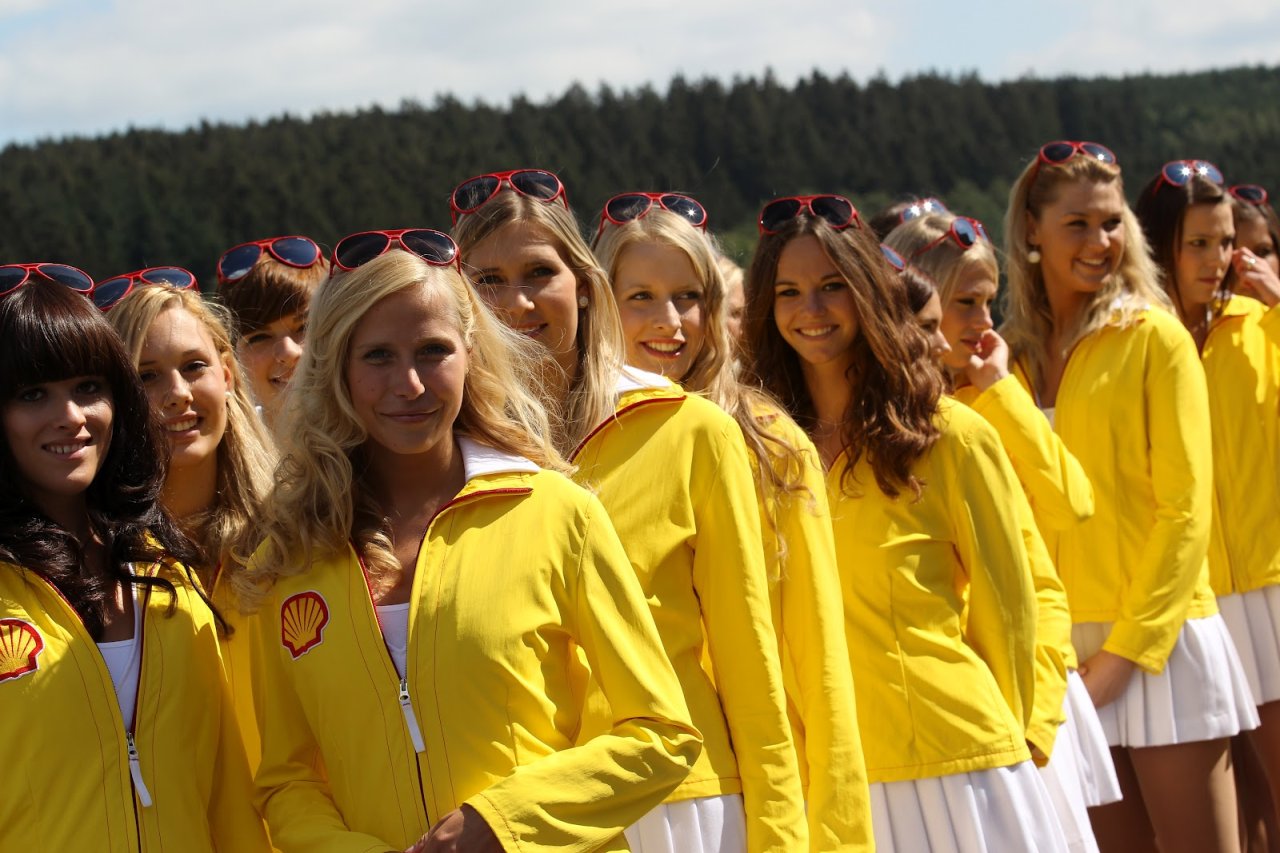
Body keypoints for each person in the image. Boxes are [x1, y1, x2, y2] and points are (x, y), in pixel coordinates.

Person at [247, 237, 701, 852]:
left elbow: (662, 735)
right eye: (377, 355)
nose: (408, 384)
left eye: (433, 351)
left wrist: (504, 824)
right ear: (337, 369)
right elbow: (288, 781)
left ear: (470, 356)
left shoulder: (555, 512)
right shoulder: (293, 552)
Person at [453, 171, 808, 853]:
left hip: (678, 804)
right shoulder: (445, 455)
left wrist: (782, 839)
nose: (517, 301)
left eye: (537, 272)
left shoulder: (690, 430)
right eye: (487, 280)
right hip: (520, 811)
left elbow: (749, 661)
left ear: (584, 285)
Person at [741, 195, 1067, 852]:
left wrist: (1022, 736)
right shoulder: (753, 448)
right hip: (820, 781)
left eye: (833, 286)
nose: (811, 309)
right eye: (790, 291)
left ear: (869, 289)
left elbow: (1011, 605)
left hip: (955, 767)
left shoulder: (953, 437)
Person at [594, 199, 873, 851]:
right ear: (598, 302)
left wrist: (829, 833)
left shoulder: (771, 443)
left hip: (743, 800)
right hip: (602, 795)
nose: (670, 323)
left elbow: (817, 662)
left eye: (688, 296)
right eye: (641, 296)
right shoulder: (561, 448)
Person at [1003, 141, 1258, 853]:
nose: (1101, 242)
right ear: (1031, 229)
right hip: (1063, 658)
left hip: (1161, 643)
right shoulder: (1008, 357)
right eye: (1078, 223)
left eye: (1112, 223)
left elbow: (1186, 512)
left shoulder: (1155, 337)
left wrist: (1125, 655)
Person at [0, 268, 267, 851]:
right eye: (31, 394)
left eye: (87, 387)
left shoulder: (166, 571)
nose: (69, 416)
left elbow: (226, 798)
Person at [889, 212, 1119, 853]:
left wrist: (1001, 392)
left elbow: (1072, 503)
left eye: (990, 302)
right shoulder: (891, 425)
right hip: (951, 713)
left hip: (1023, 699)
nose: (983, 322)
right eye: (965, 304)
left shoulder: (986, 406)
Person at [1134, 161, 1280, 827]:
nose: (1218, 260)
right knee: (1237, 813)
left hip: (1272, 587)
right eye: (1198, 242)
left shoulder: (1258, 323)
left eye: (1226, 243)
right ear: (1161, 243)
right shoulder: (1128, 341)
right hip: (1189, 608)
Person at [105, 277, 277, 773]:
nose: (177, 394)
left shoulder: (296, 536)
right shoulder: (98, 566)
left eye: (193, 366)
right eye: (147, 377)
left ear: (227, 373)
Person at [215, 234, 329, 431]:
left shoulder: (390, 448)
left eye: (304, 327)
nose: (289, 352)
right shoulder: (218, 458)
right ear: (231, 361)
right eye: (259, 337)